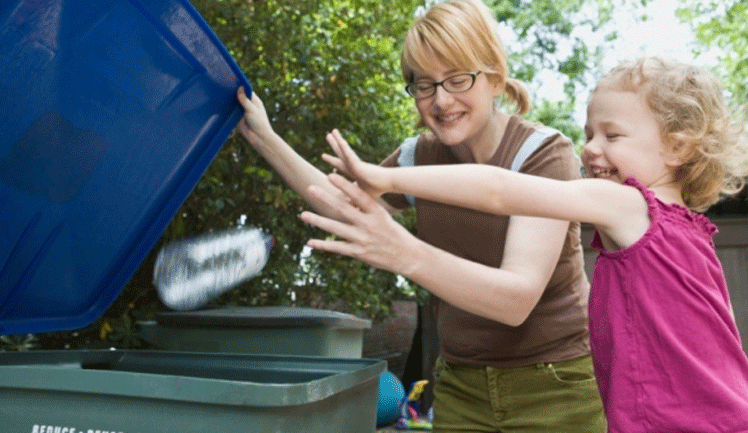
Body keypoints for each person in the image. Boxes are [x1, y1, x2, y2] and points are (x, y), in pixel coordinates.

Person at [299, 56, 748, 432]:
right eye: (589, 133)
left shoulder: (630, 206)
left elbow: (498, 190)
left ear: (678, 147)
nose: (591, 149)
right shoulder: (691, 231)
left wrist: (387, 177)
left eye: (612, 135)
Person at [237, 0, 606, 431]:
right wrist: (264, 137)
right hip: (460, 384)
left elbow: (514, 300)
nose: (440, 100)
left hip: (556, 382)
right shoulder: (417, 156)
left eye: (456, 79)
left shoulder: (543, 154)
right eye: (424, 85)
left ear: (495, 78)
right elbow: (345, 206)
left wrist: (403, 252)